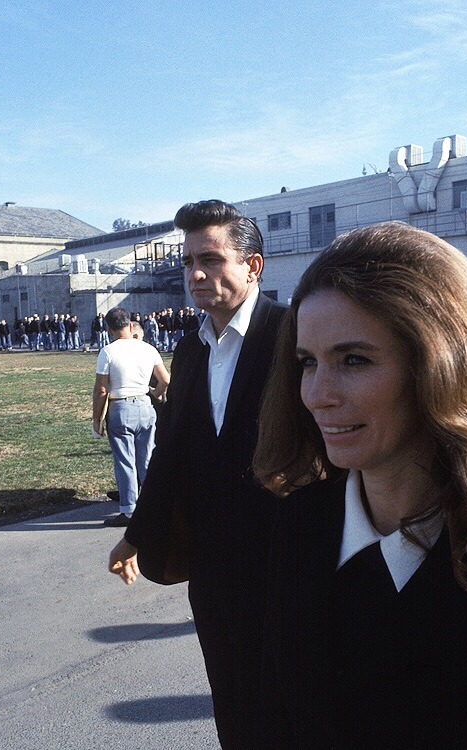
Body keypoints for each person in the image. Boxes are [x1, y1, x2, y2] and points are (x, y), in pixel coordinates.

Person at [252, 222, 467, 749]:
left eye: (355, 360)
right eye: (308, 363)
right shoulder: (297, 522)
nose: (318, 394)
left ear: (442, 364)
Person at [108, 199, 287, 749]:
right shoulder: (189, 350)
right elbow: (172, 454)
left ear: (252, 266)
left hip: (287, 559)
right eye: (188, 263)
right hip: (214, 568)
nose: (196, 274)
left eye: (210, 259)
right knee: (230, 696)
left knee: (290, 700)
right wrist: (137, 533)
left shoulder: (294, 336)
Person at [93, 307, 170, 527]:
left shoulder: (108, 351)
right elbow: (165, 379)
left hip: (121, 406)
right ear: (129, 325)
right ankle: (154, 504)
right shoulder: (147, 348)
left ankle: (129, 510)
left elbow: (101, 390)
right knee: (146, 458)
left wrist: (96, 418)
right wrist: (153, 393)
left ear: (109, 330)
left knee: (125, 461)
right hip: (145, 405)